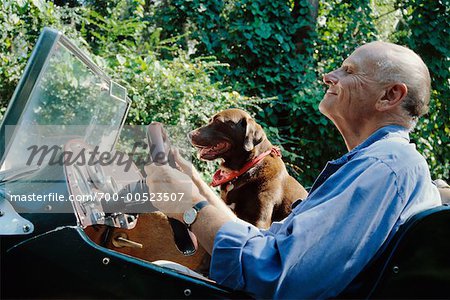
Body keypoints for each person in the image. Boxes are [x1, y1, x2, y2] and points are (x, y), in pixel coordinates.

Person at [145, 41, 442, 299]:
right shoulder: (384, 164)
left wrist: (191, 209)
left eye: (348, 71)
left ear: (389, 96)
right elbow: (272, 246)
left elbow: (276, 273)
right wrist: (195, 184)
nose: (328, 77)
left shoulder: (382, 168)